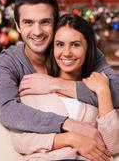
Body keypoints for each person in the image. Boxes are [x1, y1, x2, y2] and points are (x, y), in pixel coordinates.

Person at [0, 0, 119, 135]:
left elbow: (116, 91)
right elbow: (7, 110)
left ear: (56, 22)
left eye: (45, 22)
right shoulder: (7, 63)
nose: (37, 31)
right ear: (18, 27)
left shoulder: (76, 51)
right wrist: (67, 125)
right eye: (28, 22)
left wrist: (54, 84)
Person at [11, 14, 119, 161]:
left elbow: (113, 146)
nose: (66, 53)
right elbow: (21, 141)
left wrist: (103, 91)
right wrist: (72, 139)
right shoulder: (35, 88)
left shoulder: (96, 89)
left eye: (75, 44)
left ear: (88, 48)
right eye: (60, 44)